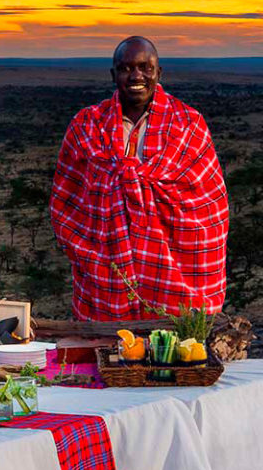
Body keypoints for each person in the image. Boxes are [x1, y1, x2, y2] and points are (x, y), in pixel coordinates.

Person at [49, 36, 229, 322]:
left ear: (159, 73)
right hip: (104, 272)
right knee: (108, 354)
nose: (136, 76)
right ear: (113, 75)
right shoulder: (86, 125)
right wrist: (87, 252)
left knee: (178, 350)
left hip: (173, 272)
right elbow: (66, 200)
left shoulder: (188, 123)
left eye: (145, 67)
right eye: (126, 68)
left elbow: (209, 206)